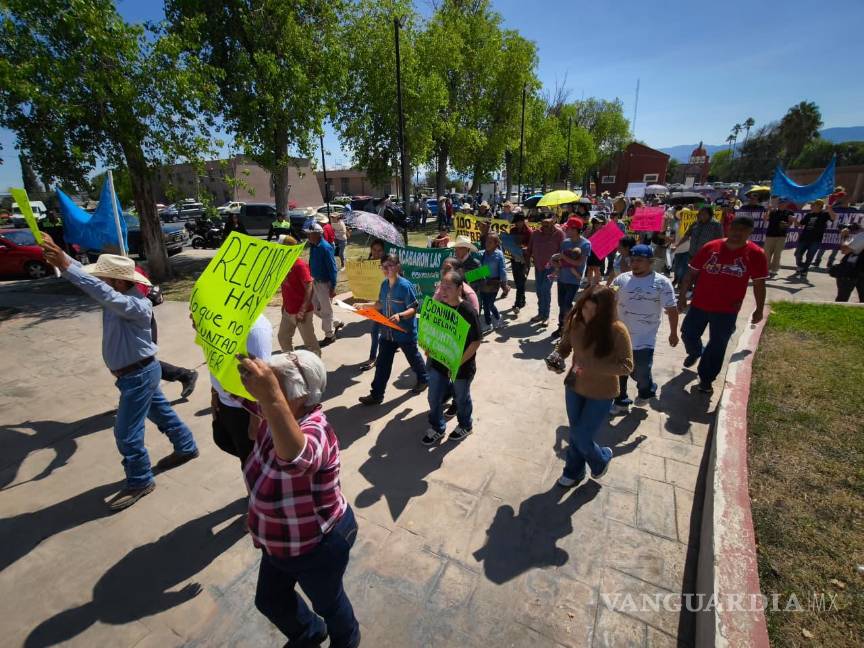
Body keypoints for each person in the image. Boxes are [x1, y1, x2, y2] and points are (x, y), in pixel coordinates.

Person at [40, 236, 198, 511]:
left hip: (138, 376)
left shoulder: (134, 304)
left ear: (120, 282)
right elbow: (94, 282)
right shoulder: (120, 295)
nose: (100, 281)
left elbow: (100, 291)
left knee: (126, 434)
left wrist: (65, 265)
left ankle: (140, 480)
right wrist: (61, 254)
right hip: (137, 374)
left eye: (105, 278)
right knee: (162, 413)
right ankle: (186, 447)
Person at [237, 351, 361, 648]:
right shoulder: (275, 414)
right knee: (269, 600)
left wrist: (272, 400)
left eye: (273, 391)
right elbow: (236, 390)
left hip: (319, 546)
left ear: (299, 396)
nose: (261, 399)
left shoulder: (316, 428)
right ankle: (309, 633)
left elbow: (297, 459)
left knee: (328, 604)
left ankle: (347, 639)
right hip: (279, 543)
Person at [547, 286, 633, 488]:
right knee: (576, 433)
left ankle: (601, 458)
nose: (588, 315)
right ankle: (573, 472)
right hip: (574, 386)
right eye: (585, 308)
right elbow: (565, 346)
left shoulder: (617, 330)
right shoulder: (575, 322)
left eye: (595, 312)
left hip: (602, 393)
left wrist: (594, 366)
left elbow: (627, 366)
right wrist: (557, 357)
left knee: (581, 437)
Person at [678, 216, 768, 393]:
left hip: (727, 310)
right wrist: (682, 296)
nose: (737, 232)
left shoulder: (755, 253)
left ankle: (706, 379)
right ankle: (696, 352)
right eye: (734, 228)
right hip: (699, 304)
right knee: (688, 334)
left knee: (717, 345)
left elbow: (759, 284)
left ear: (750, 232)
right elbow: (691, 273)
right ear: (729, 228)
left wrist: (759, 308)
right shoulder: (711, 247)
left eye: (742, 229)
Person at [610, 245, 678, 415]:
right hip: (620, 337)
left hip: (645, 338)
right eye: (632, 260)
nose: (635, 264)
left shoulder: (661, 283)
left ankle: (646, 390)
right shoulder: (620, 280)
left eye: (639, 260)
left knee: (640, 372)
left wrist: (673, 332)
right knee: (619, 371)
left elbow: (671, 309)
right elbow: (608, 299)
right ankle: (621, 401)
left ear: (651, 262)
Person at [357, 254, 428, 404]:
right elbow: (380, 304)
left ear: (397, 266)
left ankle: (424, 379)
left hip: (404, 332)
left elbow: (414, 308)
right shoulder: (383, 285)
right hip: (387, 333)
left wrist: (400, 316)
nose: (386, 269)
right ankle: (376, 395)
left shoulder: (405, 286)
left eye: (390, 265)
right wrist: (364, 306)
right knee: (382, 364)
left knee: (413, 358)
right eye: (383, 266)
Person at [422, 270, 483, 445]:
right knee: (433, 397)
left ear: (459, 289)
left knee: (461, 398)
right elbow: (433, 330)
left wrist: (457, 363)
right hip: (438, 363)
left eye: (448, 287)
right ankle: (437, 428)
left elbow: (476, 341)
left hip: (461, 368)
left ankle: (465, 425)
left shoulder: (467, 311)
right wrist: (428, 345)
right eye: (442, 286)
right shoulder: (439, 306)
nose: (443, 291)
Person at [211, 313, 272, 467]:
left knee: (253, 464)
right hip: (225, 402)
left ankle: (258, 489)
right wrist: (215, 393)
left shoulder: (255, 328)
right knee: (223, 440)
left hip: (245, 410)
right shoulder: (220, 318)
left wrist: (255, 420)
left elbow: (259, 377)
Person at [278, 236, 320, 357]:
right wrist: (284, 305)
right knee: (283, 338)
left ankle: (317, 368)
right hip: (288, 311)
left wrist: (302, 310)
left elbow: (309, 286)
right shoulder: (283, 264)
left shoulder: (299, 265)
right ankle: (292, 364)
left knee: (310, 344)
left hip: (302, 312)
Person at [305, 222, 343, 347]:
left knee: (326, 311)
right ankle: (336, 322)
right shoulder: (314, 246)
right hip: (316, 281)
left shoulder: (325, 247)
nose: (308, 236)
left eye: (310, 234)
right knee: (314, 307)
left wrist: (332, 287)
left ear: (317, 234)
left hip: (325, 284)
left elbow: (332, 268)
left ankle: (329, 335)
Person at [526, 215, 565, 327]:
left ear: (553, 223)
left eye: (547, 224)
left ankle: (546, 316)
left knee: (545, 289)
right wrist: (527, 263)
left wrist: (558, 266)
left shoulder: (559, 234)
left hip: (552, 268)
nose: (544, 227)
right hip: (538, 267)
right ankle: (540, 313)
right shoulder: (536, 234)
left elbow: (563, 251)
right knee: (539, 290)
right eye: (542, 224)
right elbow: (529, 249)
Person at [555, 217, 592, 337]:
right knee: (561, 304)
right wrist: (555, 263)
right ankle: (561, 327)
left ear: (576, 230)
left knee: (567, 304)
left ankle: (569, 327)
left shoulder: (585, 244)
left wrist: (563, 257)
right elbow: (560, 260)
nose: (566, 230)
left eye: (568, 228)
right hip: (561, 278)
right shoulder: (565, 242)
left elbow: (579, 263)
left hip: (573, 280)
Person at [793, 199, 838, 278]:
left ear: (819, 206)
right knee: (797, 254)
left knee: (810, 256)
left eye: (813, 205)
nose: (811, 206)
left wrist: (830, 209)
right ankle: (801, 266)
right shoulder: (808, 215)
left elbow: (834, 218)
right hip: (804, 238)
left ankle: (804, 270)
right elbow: (800, 225)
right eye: (811, 205)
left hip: (816, 240)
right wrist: (795, 221)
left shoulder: (824, 214)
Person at [359, 239, 386, 371]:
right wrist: (360, 267)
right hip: (375, 303)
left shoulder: (388, 264)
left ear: (384, 251)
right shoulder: (368, 263)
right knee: (379, 332)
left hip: (385, 304)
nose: (376, 253)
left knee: (375, 331)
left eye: (379, 250)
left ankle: (373, 357)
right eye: (374, 250)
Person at [478, 232, 510, 332]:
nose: (487, 243)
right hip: (484, 282)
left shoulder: (499, 255)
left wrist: (504, 284)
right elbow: (478, 267)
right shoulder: (482, 253)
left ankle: (498, 317)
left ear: (496, 243)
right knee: (484, 304)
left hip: (494, 283)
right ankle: (488, 323)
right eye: (487, 241)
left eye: (490, 242)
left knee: (490, 304)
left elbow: (503, 270)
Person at [763, 198, 795, 277]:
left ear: (786, 204)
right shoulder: (773, 211)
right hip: (770, 235)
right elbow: (765, 219)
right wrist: (768, 210)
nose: (781, 204)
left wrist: (787, 223)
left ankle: (774, 270)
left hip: (781, 236)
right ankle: (766, 269)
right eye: (780, 203)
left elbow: (790, 223)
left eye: (783, 203)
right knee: (767, 254)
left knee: (777, 254)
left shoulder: (789, 212)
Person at [833, 222, 864, 302]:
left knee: (842, 299)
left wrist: (844, 237)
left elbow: (845, 250)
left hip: (853, 271)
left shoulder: (862, 236)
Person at [508, 214, 532, 314]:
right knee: (518, 281)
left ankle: (517, 303)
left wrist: (524, 248)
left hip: (525, 260)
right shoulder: (512, 230)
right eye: (516, 222)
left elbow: (531, 247)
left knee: (521, 281)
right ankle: (522, 300)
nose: (518, 224)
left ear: (523, 221)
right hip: (514, 259)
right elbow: (510, 244)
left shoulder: (529, 232)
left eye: (519, 222)